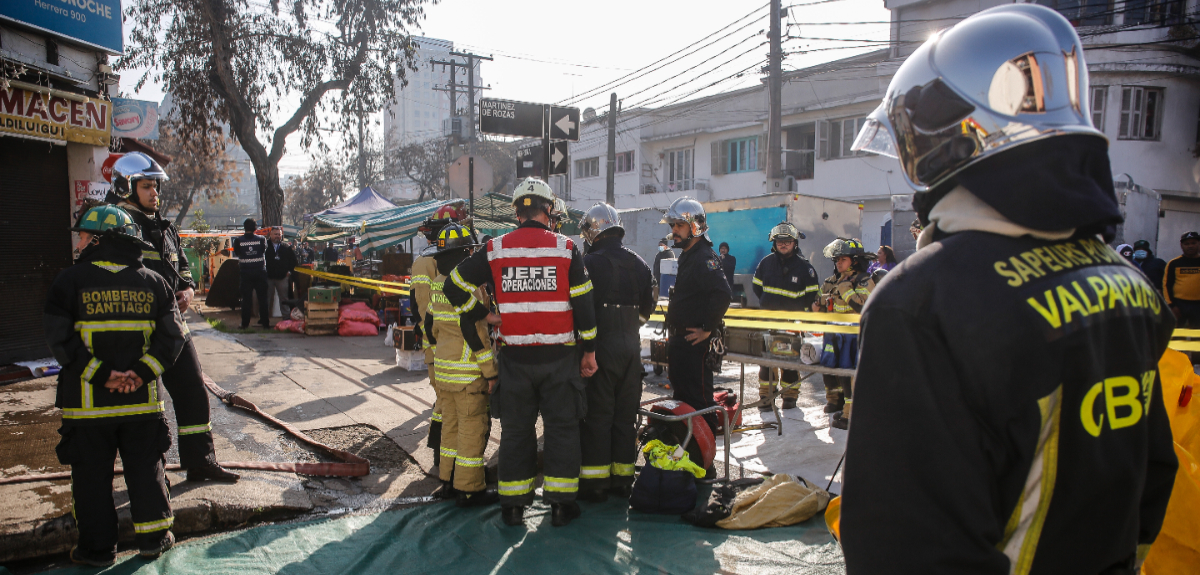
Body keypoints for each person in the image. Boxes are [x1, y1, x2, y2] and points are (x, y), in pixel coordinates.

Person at [840, 5, 1178, 573]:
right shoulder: (1129, 283)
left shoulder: (921, 301)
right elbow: (1153, 474)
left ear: (949, 143)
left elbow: (903, 545)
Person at [443, 178, 598, 527]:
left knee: (516, 433)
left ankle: (512, 507)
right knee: (562, 430)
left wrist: (482, 313)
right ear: (549, 210)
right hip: (560, 359)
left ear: (516, 213)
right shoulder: (566, 248)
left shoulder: (495, 249)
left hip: (514, 361)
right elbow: (584, 305)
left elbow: (454, 285)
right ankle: (560, 506)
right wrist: (589, 351)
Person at [46, 205, 188, 565]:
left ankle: (96, 550)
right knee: (146, 471)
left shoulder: (68, 282)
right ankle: (154, 539)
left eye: (82, 236)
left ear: (97, 239)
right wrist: (139, 374)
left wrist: (102, 375)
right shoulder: (154, 282)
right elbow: (173, 339)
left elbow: (60, 340)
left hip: (87, 410)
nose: (78, 243)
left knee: (91, 479)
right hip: (142, 406)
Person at [111, 152, 239, 483]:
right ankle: (150, 476)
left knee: (192, 391)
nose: (155, 193)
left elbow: (181, 265)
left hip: (174, 327)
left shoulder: (165, 227)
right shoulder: (117, 227)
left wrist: (189, 290)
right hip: (138, 330)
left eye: (156, 186)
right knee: (144, 401)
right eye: (146, 186)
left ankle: (201, 461)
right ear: (127, 188)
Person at [577, 203, 655, 502]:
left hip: (600, 347)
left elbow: (581, 308)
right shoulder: (640, 263)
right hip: (631, 347)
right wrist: (631, 326)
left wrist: (586, 345)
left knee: (598, 416)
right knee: (625, 416)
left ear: (593, 232)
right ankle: (623, 481)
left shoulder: (589, 263)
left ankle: (596, 485)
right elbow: (648, 306)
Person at [422, 222, 499, 508]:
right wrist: (490, 373)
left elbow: (429, 327)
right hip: (468, 375)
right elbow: (476, 332)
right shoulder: (469, 287)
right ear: (466, 252)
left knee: (450, 430)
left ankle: (447, 481)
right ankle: (469, 490)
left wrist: (438, 355)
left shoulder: (437, 284)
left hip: (444, 372)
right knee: (471, 431)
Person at [662, 196, 732, 437]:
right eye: (673, 225)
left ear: (695, 226)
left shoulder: (704, 257)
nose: (674, 230)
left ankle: (705, 455)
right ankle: (687, 449)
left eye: (679, 225)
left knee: (699, 402)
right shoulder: (688, 255)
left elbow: (723, 294)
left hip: (694, 345)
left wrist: (707, 328)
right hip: (681, 342)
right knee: (682, 400)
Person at [412, 202, 470, 480]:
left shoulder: (428, 260)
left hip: (439, 342)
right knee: (450, 407)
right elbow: (427, 309)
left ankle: (442, 459)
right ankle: (448, 463)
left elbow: (422, 308)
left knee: (443, 403)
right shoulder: (433, 262)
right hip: (443, 342)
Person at [752, 222, 819, 410]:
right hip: (768, 321)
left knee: (789, 360)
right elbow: (757, 287)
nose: (783, 244)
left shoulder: (805, 268)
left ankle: (789, 396)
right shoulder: (766, 263)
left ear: (795, 243)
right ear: (774, 243)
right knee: (766, 361)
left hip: (791, 324)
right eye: (779, 241)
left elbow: (812, 296)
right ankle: (766, 396)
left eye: (787, 241)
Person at [814, 237, 874, 429]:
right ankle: (845, 407)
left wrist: (846, 289)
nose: (838, 263)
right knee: (840, 374)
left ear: (855, 261)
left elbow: (861, 307)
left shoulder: (863, 281)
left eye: (843, 259)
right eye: (837, 260)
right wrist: (820, 304)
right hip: (836, 335)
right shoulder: (835, 280)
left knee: (852, 375)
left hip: (853, 337)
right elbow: (820, 305)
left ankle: (852, 415)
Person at [231, 219, 270, 329]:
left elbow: (237, 253)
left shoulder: (238, 240)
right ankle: (265, 323)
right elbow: (263, 251)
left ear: (244, 227)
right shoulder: (261, 239)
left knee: (246, 299)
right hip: (260, 272)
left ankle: (245, 324)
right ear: (255, 228)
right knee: (263, 299)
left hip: (245, 273)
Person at [1164, 231, 1200, 327]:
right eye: (1186, 244)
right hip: (1179, 305)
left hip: (1198, 306)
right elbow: (1167, 285)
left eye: (1193, 243)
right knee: (1175, 332)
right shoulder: (1174, 263)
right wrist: (1171, 305)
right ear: (1181, 245)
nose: (1190, 246)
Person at [265, 227, 298, 320]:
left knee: (284, 299)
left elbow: (293, 261)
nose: (277, 236)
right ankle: (264, 318)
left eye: (279, 234)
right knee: (266, 298)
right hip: (268, 277)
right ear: (270, 235)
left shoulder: (286, 247)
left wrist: (289, 271)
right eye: (275, 234)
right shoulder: (265, 245)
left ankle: (286, 318)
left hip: (282, 277)